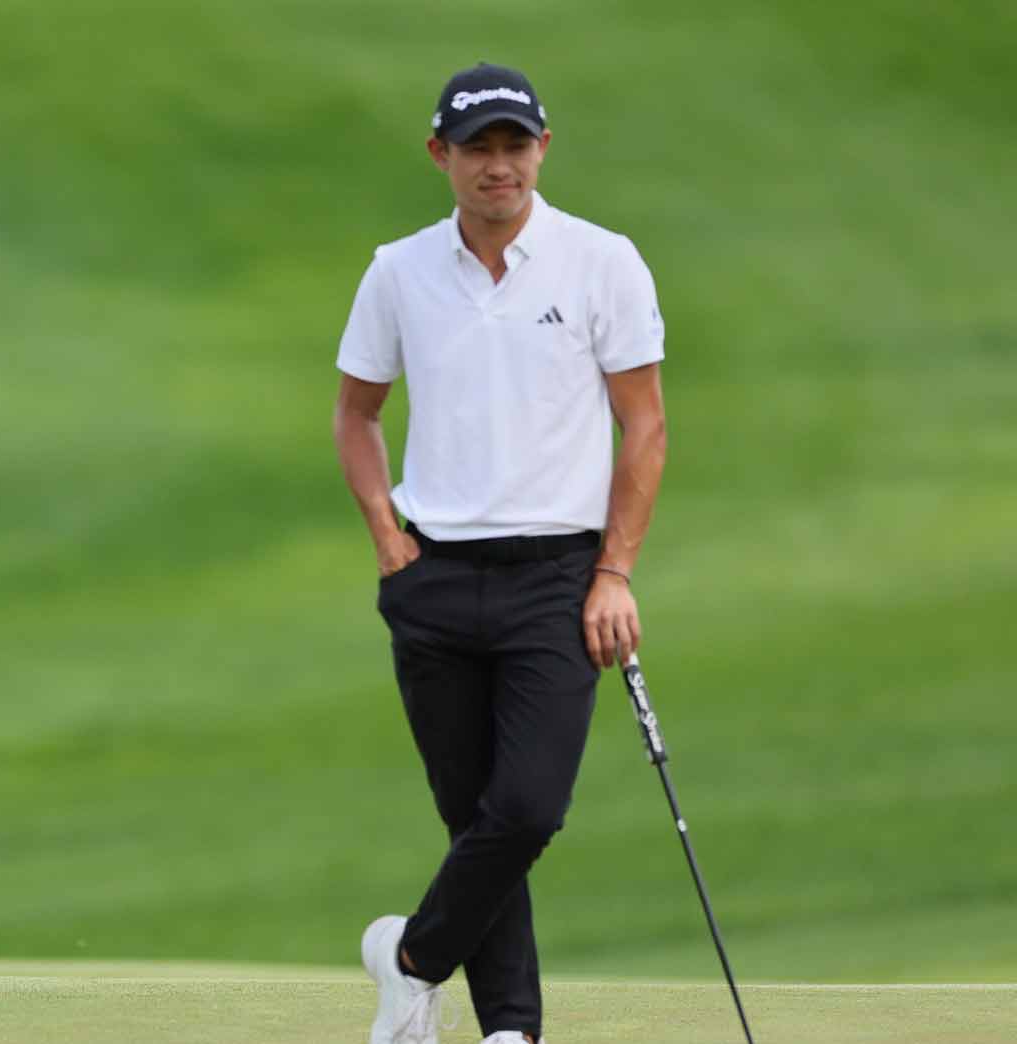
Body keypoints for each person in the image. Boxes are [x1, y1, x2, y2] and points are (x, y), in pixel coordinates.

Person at [332, 63, 668, 1043]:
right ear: (440, 155)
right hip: (431, 577)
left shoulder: (600, 261)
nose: (496, 166)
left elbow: (642, 426)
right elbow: (356, 414)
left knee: (522, 810)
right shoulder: (398, 269)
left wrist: (613, 571)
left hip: (556, 582)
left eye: (512, 145)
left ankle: (409, 959)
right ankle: (508, 1031)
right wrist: (386, 538)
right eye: (475, 148)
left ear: (542, 150)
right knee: (473, 820)